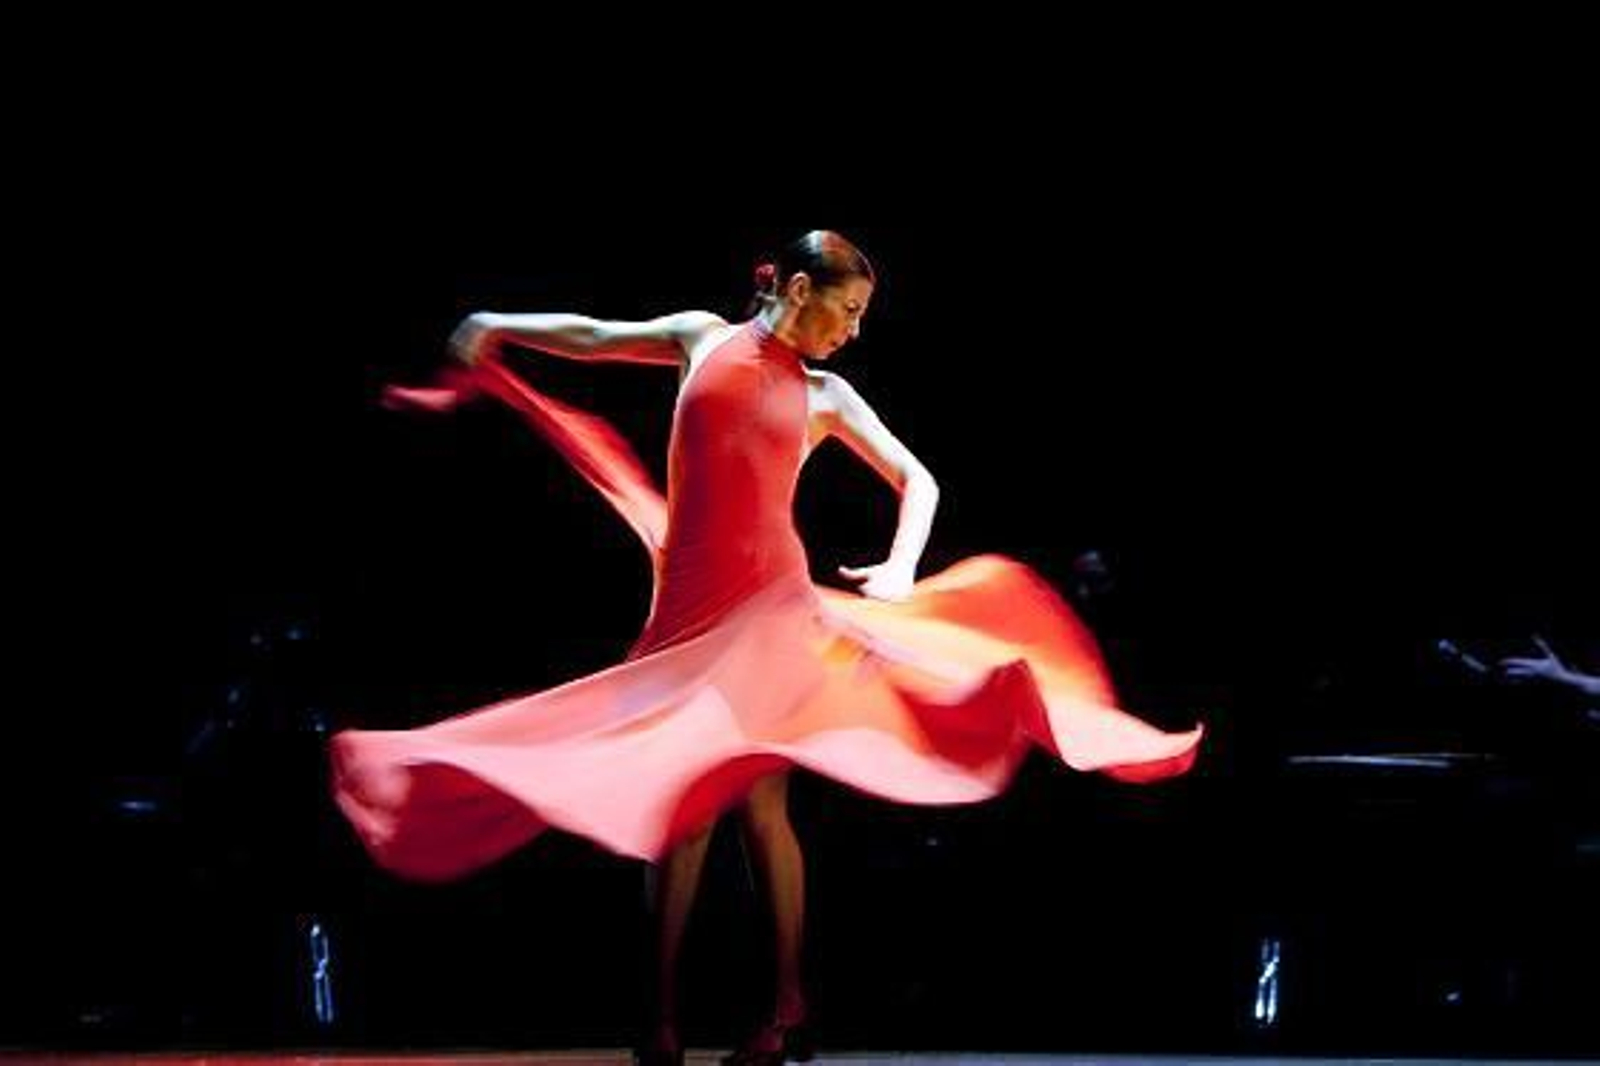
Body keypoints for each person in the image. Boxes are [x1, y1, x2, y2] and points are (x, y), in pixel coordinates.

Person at [330, 230, 1204, 1065]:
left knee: (738, 807)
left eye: (862, 314)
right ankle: (680, 1011)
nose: (854, 330)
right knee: (694, 807)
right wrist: (497, 323)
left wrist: (901, 569)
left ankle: (759, 1008)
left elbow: (918, 480)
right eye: (847, 309)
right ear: (795, 290)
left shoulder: (826, 395)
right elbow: (595, 338)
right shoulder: (699, 339)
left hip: (769, 611)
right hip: (687, 610)